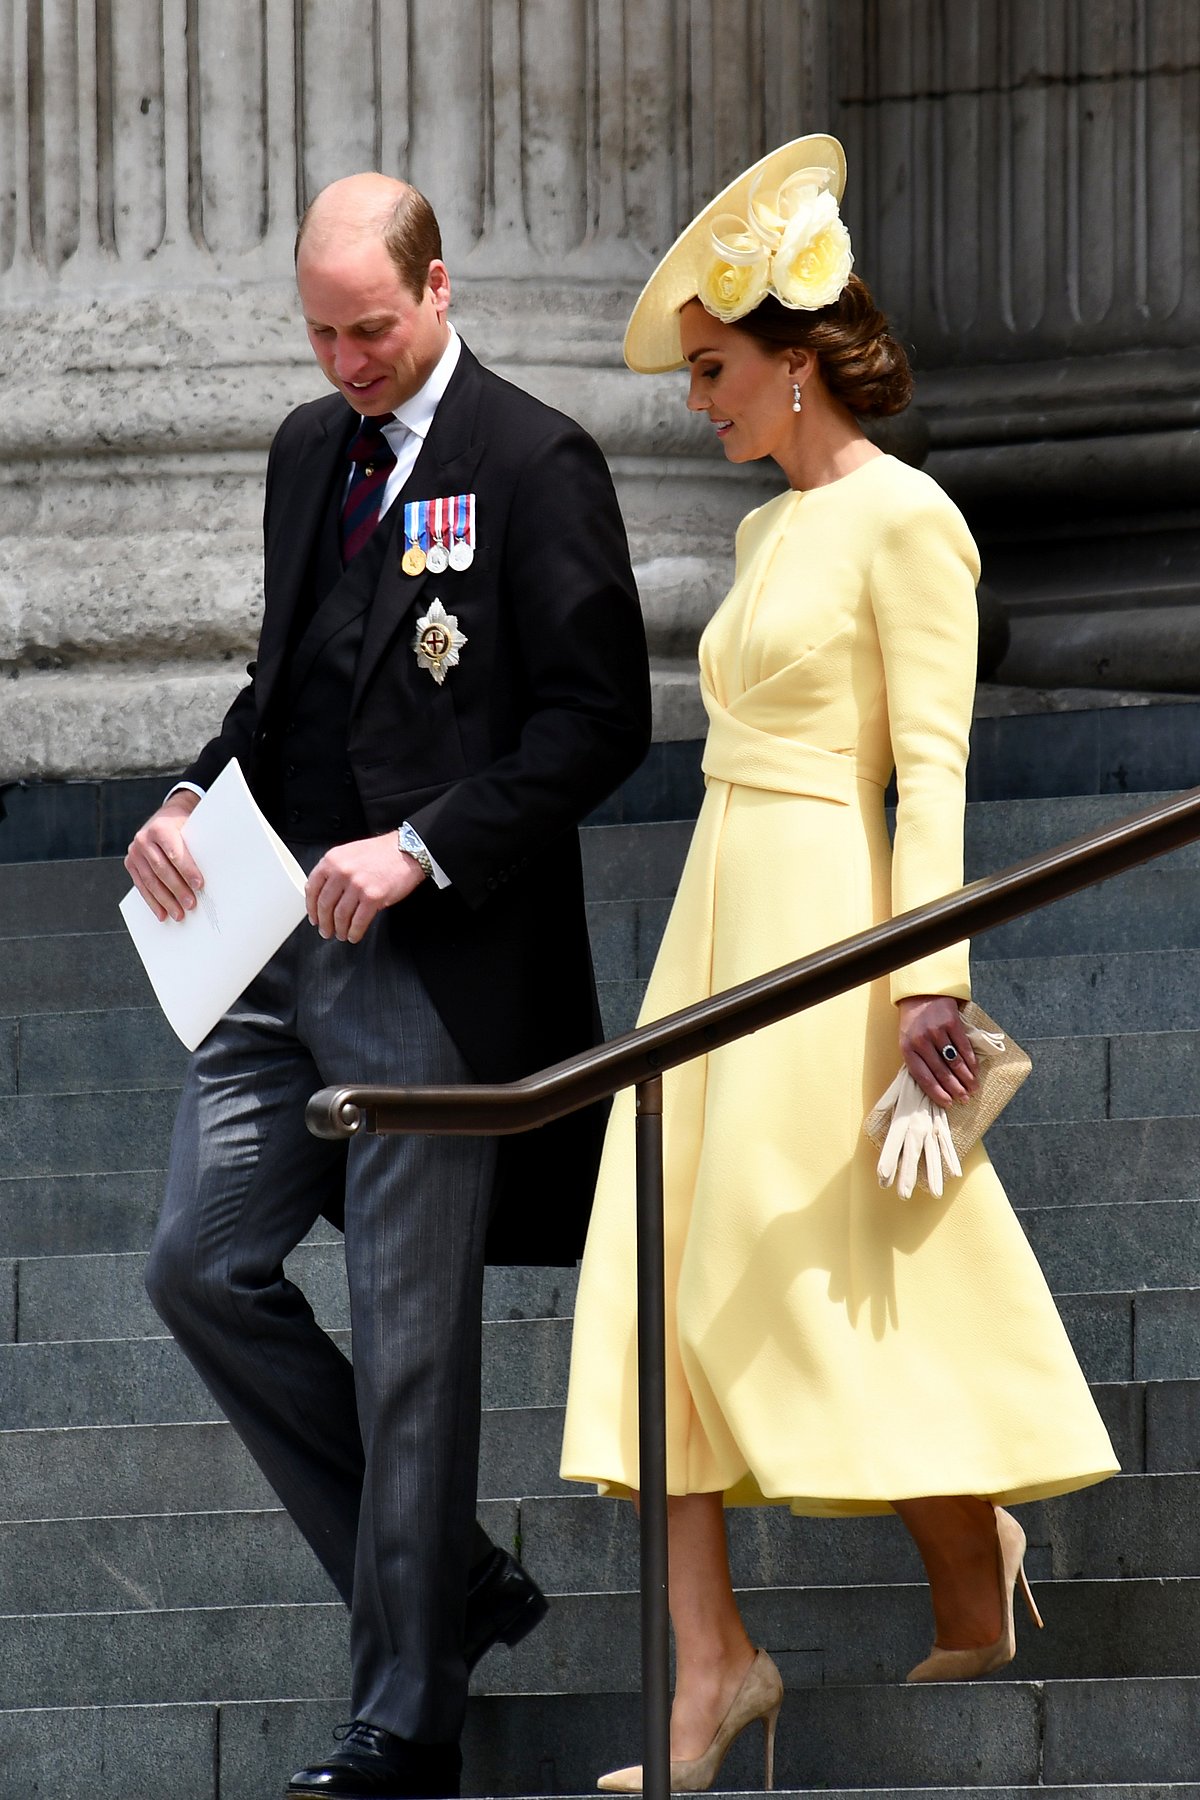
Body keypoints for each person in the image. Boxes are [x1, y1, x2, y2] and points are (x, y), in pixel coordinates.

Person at [559, 135, 1118, 1794]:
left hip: (833, 929)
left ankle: (969, 1544)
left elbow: (930, 763)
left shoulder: (909, 518)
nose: (697, 404)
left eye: (718, 372)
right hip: (715, 916)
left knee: (804, 1265)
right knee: (667, 1263)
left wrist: (929, 980)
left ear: (800, 368)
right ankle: (714, 1660)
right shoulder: (759, 541)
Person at [126, 172, 651, 1800]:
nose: (345, 360)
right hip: (275, 948)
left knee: (412, 1338)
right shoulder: (306, 451)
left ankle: (406, 1716)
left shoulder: (533, 456)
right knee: (197, 1267)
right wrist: (188, 798)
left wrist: (423, 845)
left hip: (440, 970)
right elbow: (286, 685)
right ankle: (455, 1581)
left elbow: (597, 720)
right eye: (321, 331)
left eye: (369, 329)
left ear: (440, 288)